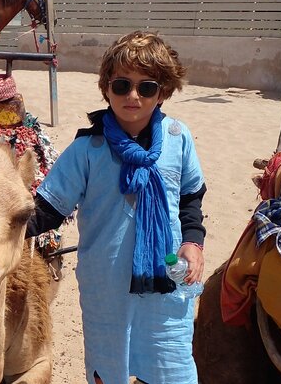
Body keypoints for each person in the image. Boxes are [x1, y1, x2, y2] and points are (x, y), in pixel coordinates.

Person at [27, 31, 207, 384]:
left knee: (171, 368)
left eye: (147, 87)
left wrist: (193, 241)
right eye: (122, 85)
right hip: (107, 288)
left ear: (164, 92)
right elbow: (46, 211)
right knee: (110, 371)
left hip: (166, 283)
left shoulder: (177, 138)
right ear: (106, 88)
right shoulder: (87, 150)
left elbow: (190, 197)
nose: (133, 96)